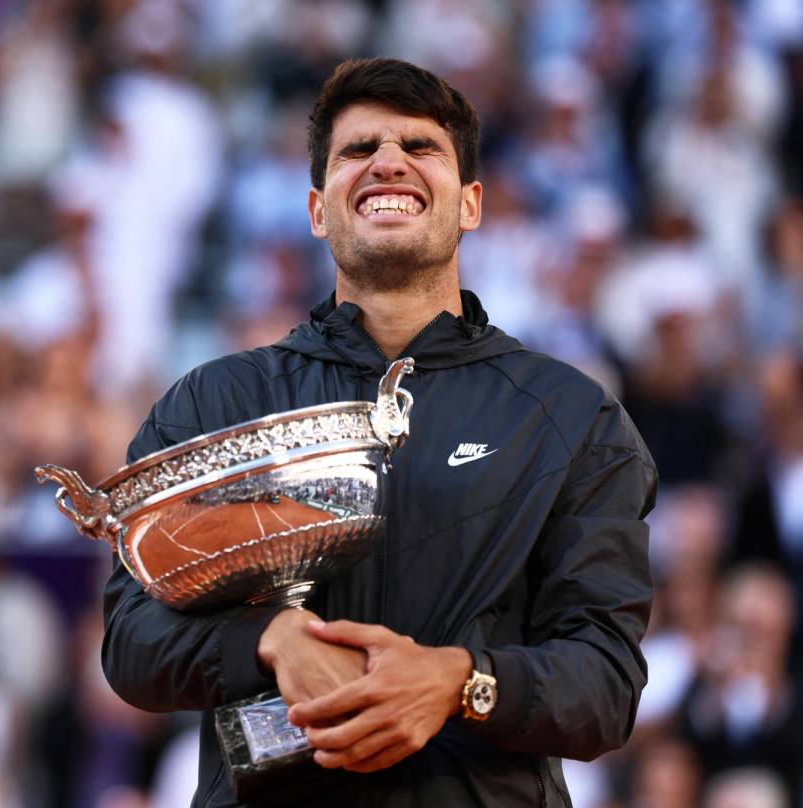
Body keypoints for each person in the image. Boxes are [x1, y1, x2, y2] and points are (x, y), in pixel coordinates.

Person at [101, 58, 656, 806]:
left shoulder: (568, 414)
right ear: (316, 210)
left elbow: (607, 683)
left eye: (421, 147)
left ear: (470, 204)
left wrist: (462, 681)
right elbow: (130, 641)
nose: (388, 161)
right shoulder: (216, 400)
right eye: (357, 150)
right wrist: (267, 641)